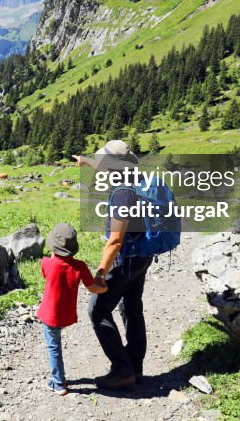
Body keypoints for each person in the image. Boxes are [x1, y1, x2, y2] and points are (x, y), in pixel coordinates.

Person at [74, 139, 153, 391]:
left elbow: (116, 240)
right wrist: (85, 161)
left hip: (126, 259)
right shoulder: (138, 180)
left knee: (97, 311)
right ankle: (135, 367)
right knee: (131, 307)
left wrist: (99, 274)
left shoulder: (122, 194)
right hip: (143, 253)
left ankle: (122, 370)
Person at [36, 222, 107, 396]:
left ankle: (58, 383)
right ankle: (58, 377)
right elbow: (92, 288)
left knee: (54, 347)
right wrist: (104, 288)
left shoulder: (46, 263)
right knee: (56, 346)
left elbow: (46, 273)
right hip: (66, 315)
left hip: (50, 315)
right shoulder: (80, 266)